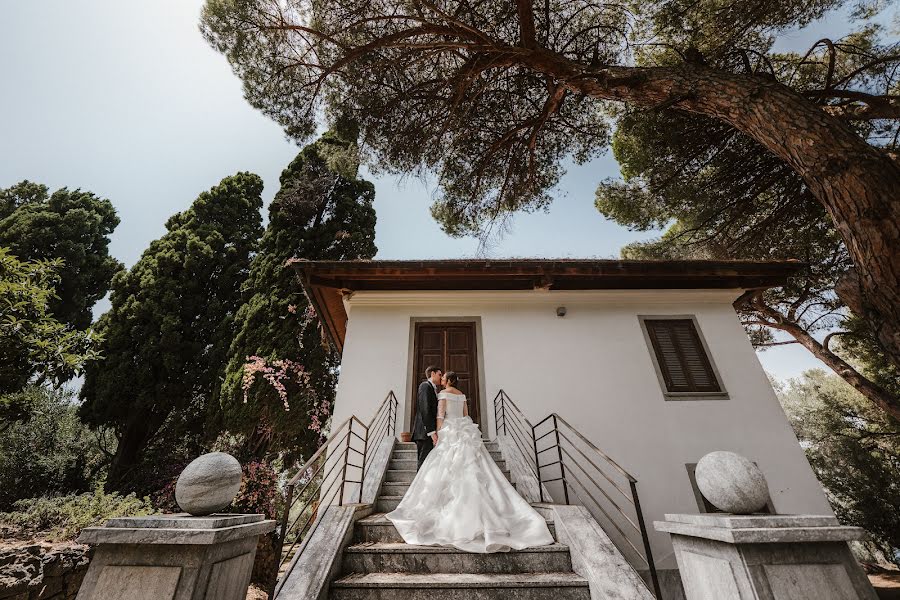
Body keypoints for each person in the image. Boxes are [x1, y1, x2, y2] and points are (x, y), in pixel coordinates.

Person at [386, 371, 555, 553]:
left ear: (448, 380)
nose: (441, 379)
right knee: (474, 466)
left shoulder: (443, 394)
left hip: (450, 431)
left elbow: (440, 417)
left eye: (444, 378)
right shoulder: (462, 396)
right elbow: (466, 416)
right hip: (464, 430)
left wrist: (439, 435)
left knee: (447, 469)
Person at [412, 365, 442, 469]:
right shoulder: (425, 386)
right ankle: (418, 485)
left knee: (427, 464)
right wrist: (431, 432)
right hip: (424, 433)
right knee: (423, 463)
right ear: (432, 374)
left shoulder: (433, 388)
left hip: (428, 433)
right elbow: (425, 409)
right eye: (439, 374)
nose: (441, 377)